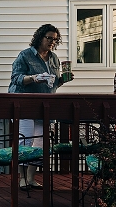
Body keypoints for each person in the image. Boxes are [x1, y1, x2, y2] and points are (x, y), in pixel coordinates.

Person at [8, 24, 74, 190]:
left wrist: (62, 80)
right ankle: (21, 178)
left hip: (44, 106)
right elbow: (16, 78)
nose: (52, 42)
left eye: (55, 39)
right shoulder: (25, 55)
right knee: (25, 141)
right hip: (24, 104)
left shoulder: (54, 59)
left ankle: (31, 178)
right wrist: (34, 78)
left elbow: (51, 86)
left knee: (40, 143)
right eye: (49, 38)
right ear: (40, 37)